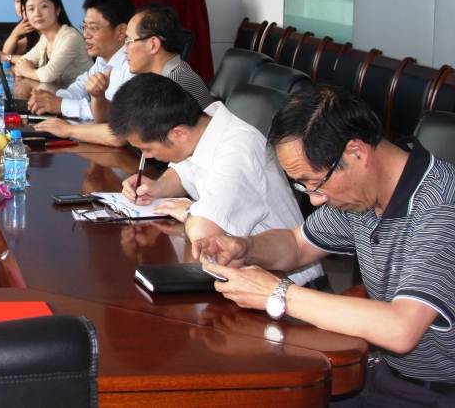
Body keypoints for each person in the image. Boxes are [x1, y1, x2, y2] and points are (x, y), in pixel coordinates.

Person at [195, 86, 455, 406]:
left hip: (437, 392)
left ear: (356, 153)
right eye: (303, 187)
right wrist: (245, 246)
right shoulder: (364, 193)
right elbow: (297, 244)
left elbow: (402, 329)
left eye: (315, 183)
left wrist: (277, 294)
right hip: (383, 372)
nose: (316, 200)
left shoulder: (442, 207)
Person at [108, 73, 322, 285]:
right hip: (246, 276)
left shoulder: (237, 149)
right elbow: (183, 171)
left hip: (287, 284)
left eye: (147, 149)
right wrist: (158, 186)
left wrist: (190, 211)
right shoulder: (202, 127)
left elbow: (203, 235)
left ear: (179, 134)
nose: (146, 156)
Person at [35, 2, 213, 145]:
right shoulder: (157, 77)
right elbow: (114, 118)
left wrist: (67, 130)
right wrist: (98, 97)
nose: (125, 50)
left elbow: (121, 135)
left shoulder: (172, 82)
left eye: (129, 41)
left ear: (153, 45)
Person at [27, 0, 135, 121]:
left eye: (93, 28)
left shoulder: (133, 65)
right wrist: (54, 99)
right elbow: (81, 87)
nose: (86, 35)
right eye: (85, 27)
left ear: (121, 31)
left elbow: (117, 112)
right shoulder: (102, 60)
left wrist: (61, 105)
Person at [9, 0, 93, 91]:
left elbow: (47, 75)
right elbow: (23, 61)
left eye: (44, 6)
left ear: (57, 10)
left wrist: (27, 71)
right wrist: (22, 68)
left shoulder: (71, 37)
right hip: (58, 97)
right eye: (31, 9)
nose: (37, 13)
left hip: (82, 98)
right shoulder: (45, 38)